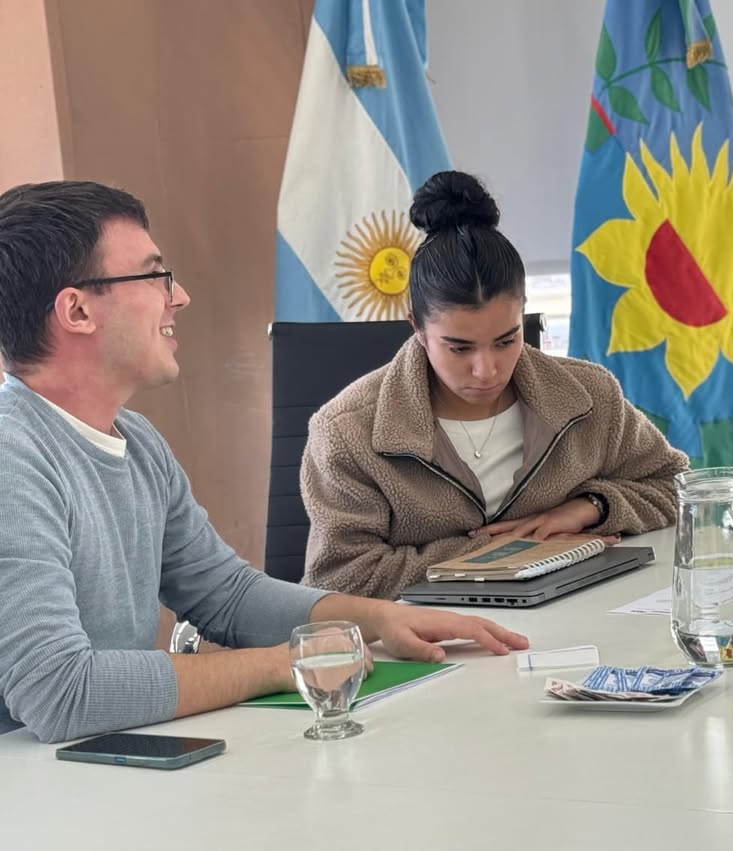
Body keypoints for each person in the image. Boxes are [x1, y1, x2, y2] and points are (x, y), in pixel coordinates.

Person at [0, 181, 528, 744]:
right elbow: (59, 693)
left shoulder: (137, 441)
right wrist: (287, 663)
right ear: (77, 310)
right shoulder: (12, 458)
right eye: (155, 277)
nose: (180, 297)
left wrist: (379, 620)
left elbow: (226, 595)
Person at [301, 171, 688, 598]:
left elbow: (677, 488)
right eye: (459, 348)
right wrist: (506, 553)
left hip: (576, 623)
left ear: (523, 314)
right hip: (431, 634)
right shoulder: (346, 432)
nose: (487, 370)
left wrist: (591, 508)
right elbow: (339, 580)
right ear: (417, 327)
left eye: (506, 340)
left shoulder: (590, 396)